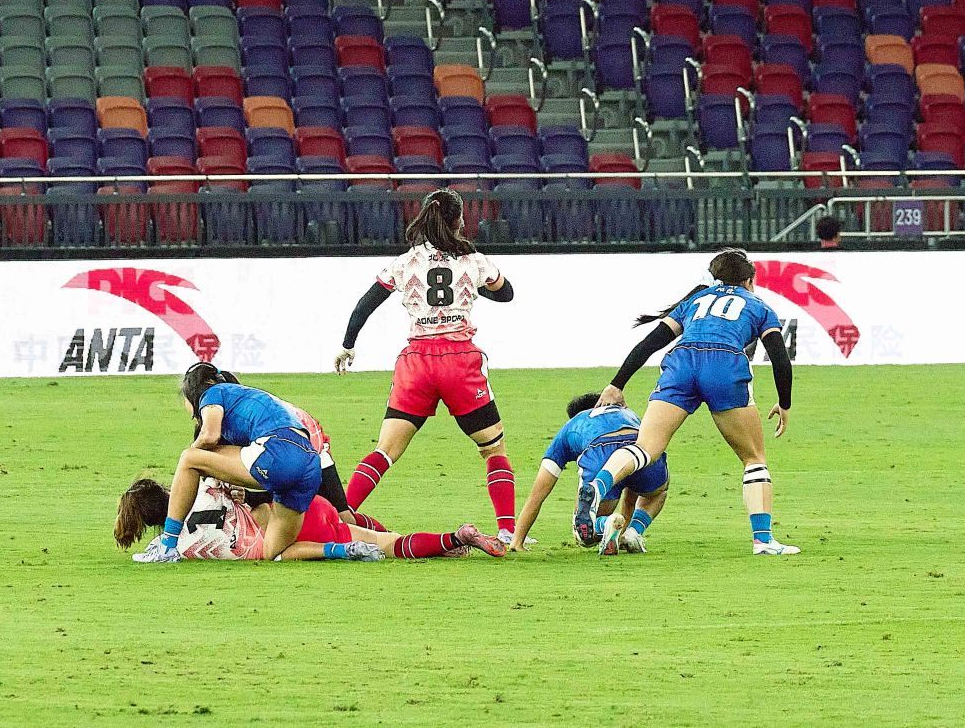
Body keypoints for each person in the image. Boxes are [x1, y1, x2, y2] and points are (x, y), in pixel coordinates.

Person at [584, 248, 799, 555]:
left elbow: (649, 343)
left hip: (681, 364)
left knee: (646, 448)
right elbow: (779, 357)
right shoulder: (759, 306)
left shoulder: (694, 301)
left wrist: (617, 384)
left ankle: (598, 486)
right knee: (754, 458)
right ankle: (763, 540)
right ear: (749, 281)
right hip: (723, 365)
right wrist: (784, 403)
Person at [334, 189, 521, 545]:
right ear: (458, 220)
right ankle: (507, 532)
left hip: (416, 363)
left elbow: (365, 305)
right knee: (493, 449)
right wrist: (474, 288)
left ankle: (338, 519)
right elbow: (506, 293)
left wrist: (348, 345)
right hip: (459, 362)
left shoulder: (406, 262)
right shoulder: (474, 260)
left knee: (384, 451)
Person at [133, 364, 367, 563]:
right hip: (309, 462)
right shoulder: (249, 400)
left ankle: (167, 547)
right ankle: (344, 550)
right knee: (273, 551)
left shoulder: (212, 393)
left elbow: (210, 436)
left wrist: (194, 455)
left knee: (189, 459)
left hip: (279, 452)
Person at [116, 476, 504, 561]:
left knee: (385, 546)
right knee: (383, 539)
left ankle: (457, 538)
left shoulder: (176, 547)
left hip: (293, 536)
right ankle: (452, 540)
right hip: (305, 506)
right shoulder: (206, 483)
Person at [508, 392, 669, 556]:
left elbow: (537, 494)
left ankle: (604, 524)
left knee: (585, 532)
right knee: (657, 493)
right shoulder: (628, 413)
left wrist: (517, 541)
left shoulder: (573, 425)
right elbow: (632, 491)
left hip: (600, 451)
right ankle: (632, 533)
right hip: (639, 448)